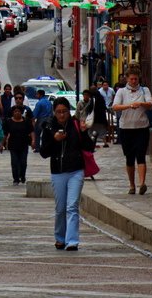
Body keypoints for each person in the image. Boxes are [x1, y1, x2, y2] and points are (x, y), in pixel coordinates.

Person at [40, 97, 95, 250]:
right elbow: (43, 152)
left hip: (76, 170)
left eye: (64, 111)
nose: (62, 115)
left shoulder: (76, 125)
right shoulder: (48, 127)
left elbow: (89, 147)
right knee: (60, 208)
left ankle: (72, 241)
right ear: (54, 112)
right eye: (58, 112)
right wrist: (54, 139)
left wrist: (84, 133)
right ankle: (60, 237)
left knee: (72, 206)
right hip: (58, 171)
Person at [112, 64, 152, 195]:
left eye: (136, 79)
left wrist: (141, 104)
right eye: (131, 79)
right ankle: (131, 184)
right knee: (129, 158)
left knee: (140, 155)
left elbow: (151, 105)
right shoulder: (121, 92)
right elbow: (115, 106)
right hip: (126, 128)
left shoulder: (144, 90)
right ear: (127, 79)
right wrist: (129, 106)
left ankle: (142, 183)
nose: (134, 81)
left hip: (141, 127)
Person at [3, 105, 34, 184]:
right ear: (13, 113)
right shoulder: (9, 122)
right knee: (14, 162)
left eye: (18, 111)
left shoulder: (26, 121)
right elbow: (5, 134)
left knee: (23, 162)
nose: (17, 113)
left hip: (24, 145)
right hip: (13, 145)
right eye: (15, 111)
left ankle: (22, 176)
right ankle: (16, 178)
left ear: (21, 112)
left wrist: (33, 141)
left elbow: (31, 132)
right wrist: (2, 143)